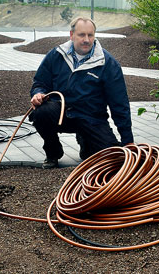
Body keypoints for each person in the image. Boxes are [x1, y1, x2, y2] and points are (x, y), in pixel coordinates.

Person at [29, 16, 133, 168]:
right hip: (62, 113)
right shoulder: (56, 55)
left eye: (90, 35)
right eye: (81, 35)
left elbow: (119, 103)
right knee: (41, 112)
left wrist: (127, 140)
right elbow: (40, 83)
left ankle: (86, 141)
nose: (86, 40)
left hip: (91, 118)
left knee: (111, 159)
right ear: (71, 35)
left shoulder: (107, 63)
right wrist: (38, 93)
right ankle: (53, 152)